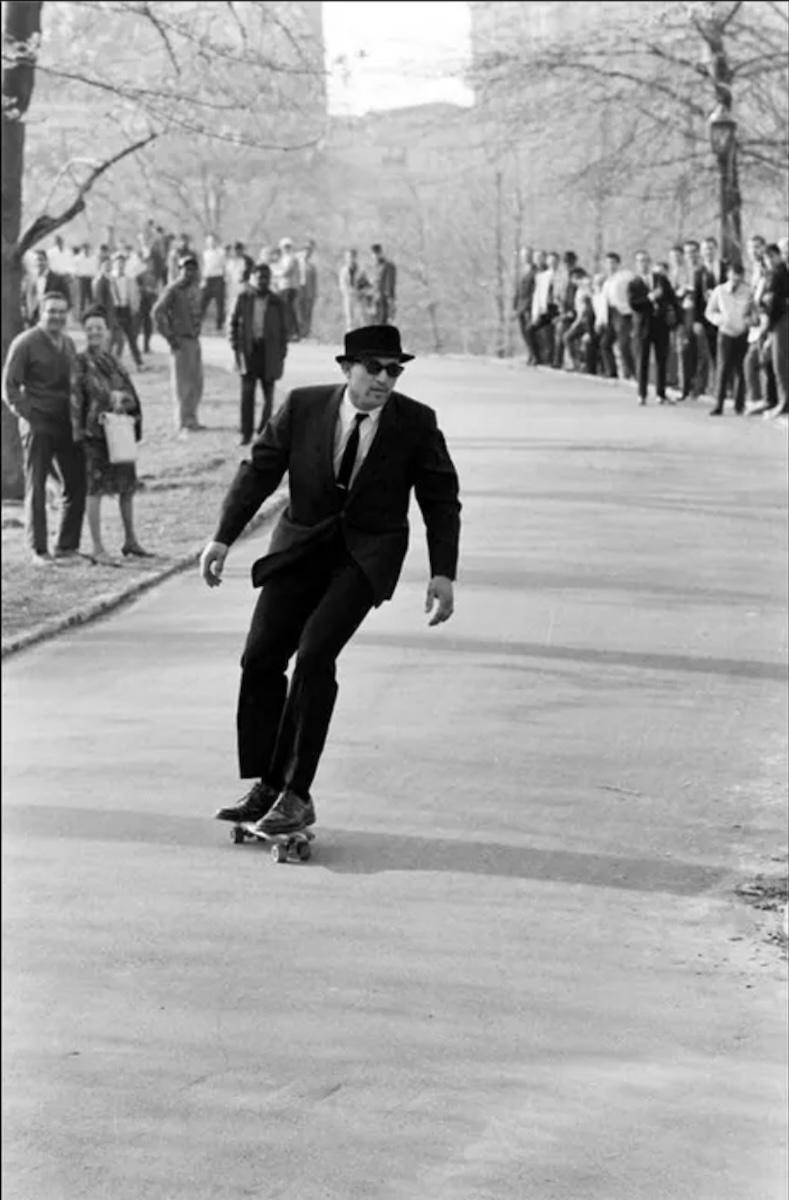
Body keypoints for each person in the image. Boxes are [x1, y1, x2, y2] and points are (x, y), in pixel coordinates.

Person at [200, 324, 461, 835]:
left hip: (365, 557)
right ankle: (268, 786)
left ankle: (297, 794)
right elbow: (258, 471)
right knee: (260, 657)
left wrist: (443, 572)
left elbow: (440, 500)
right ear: (347, 368)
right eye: (374, 368)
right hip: (300, 547)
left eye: (394, 371)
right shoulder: (303, 407)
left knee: (316, 654)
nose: (385, 380)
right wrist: (222, 537)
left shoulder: (417, 424)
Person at [1, 292, 86, 565]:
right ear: (41, 312)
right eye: (51, 311)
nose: (57, 316)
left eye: (62, 311)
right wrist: (29, 414)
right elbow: (9, 387)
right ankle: (39, 550)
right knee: (36, 485)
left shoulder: (68, 343)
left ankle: (67, 545)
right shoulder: (26, 342)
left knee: (75, 483)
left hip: (66, 422)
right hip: (38, 423)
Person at [70, 306, 150, 563]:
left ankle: (130, 540)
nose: (95, 332)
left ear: (107, 331)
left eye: (99, 328)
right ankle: (97, 547)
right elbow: (75, 398)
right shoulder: (80, 361)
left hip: (120, 432)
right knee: (95, 490)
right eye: (90, 328)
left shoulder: (115, 361)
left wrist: (123, 400)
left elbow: (131, 393)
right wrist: (77, 433)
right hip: (93, 434)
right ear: (85, 331)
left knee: (127, 487)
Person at [229, 262, 288, 445]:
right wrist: (235, 345)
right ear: (252, 278)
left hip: (269, 352)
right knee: (247, 394)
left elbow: (284, 329)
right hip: (248, 351)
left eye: (266, 278)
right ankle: (245, 434)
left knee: (268, 395)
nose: (263, 281)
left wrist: (282, 352)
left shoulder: (276, 301)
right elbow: (232, 323)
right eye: (259, 277)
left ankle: (263, 433)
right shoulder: (243, 297)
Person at [152, 253, 205, 437]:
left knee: (196, 382)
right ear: (180, 269)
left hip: (194, 339)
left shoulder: (196, 288)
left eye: (193, 268)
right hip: (180, 340)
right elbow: (157, 313)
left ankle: (192, 418)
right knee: (183, 384)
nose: (189, 272)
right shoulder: (173, 289)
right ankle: (182, 421)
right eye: (186, 268)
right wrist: (169, 337)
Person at [704, 261, 758, 416]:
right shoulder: (720, 291)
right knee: (723, 368)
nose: (736, 278)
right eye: (733, 275)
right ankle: (718, 404)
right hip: (725, 332)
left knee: (741, 369)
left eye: (739, 275)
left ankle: (739, 404)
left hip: (742, 333)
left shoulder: (748, 291)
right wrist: (720, 320)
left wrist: (750, 321)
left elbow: (753, 311)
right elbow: (709, 312)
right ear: (728, 274)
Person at [628, 250, 679, 406]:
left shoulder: (660, 279)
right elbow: (634, 304)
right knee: (642, 359)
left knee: (661, 359)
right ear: (636, 264)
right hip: (643, 326)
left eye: (645, 261)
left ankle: (661, 393)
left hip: (660, 324)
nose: (643, 264)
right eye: (640, 261)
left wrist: (673, 315)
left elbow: (672, 298)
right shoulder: (634, 284)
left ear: (649, 262)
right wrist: (650, 298)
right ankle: (641, 394)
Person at [761, 242, 789, 419]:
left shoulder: (777, 273)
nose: (769, 260)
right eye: (767, 258)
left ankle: (784, 403)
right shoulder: (778, 272)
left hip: (780, 320)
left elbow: (773, 303)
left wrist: (768, 328)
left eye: (772, 256)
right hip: (780, 319)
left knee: (780, 364)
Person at [601, 251, 636, 380]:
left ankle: (632, 372)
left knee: (623, 344)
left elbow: (634, 285)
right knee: (605, 343)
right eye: (608, 263)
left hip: (623, 313)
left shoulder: (624, 276)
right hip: (610, 312)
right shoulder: (606, 281)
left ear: (618, 264)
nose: (611, 266)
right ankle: (611, 372)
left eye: (613, 263)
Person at [109, 251, 143, 369]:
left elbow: (135, 294)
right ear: (114, 264)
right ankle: (107, 363)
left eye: (122, 263)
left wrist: (134, 308)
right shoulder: (110, 279)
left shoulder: (129, 279)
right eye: (118, 263)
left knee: (131, 337)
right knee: (113, 338)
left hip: (126, 309)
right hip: (115, 309)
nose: (120, 265)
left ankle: (139, 362)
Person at [22, 249, 70, 327]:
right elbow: (23, 298)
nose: (38, 263)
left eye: (41, 260)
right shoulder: (29, 279)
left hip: (52, 317)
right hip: (32, 318)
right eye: (35, 260)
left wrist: (60, 314)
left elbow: (67, 299)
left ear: (47, 261)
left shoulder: (58, 279)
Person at [273, 237, 301, 341]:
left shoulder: (292, 258)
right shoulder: (282, 258)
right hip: (282, 286)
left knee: (289, 310)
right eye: (284, 246)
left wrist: (276, 273)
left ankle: (294, 332)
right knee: (285, 310)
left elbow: (287, 272)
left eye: (288, 246)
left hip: (289, 287)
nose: (286, 248)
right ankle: (288, 332)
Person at [201, 233, 227, 332]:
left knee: (220, 303)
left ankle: (219, 325)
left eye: (213, 241)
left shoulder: (221, 252)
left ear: (216, 242)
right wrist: (203, 280)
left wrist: (225, 278)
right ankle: (198, 322)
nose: (211, 243)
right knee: (203, 302)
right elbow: (205, 267)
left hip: (218, 278)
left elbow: (224, 265)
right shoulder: (205, 253)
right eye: (209, 241)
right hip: (208, 279)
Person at [370, 243, 397, 324]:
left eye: (377, 253)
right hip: (376, 300)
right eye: (373, 254)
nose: (375, 256)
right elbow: (375, 283)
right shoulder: (376, 266)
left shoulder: (388, 266)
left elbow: (390, 284)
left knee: (383, 325)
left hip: (384, 300)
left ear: (380, 253)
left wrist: (390, 301)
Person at [298, 240, 318, 338]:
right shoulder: (297, 262)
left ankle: (306, 333)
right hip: (299, 291)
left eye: (309, 250)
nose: (307, 252)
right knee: (300, 312)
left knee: (308, 313)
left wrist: (314, 294)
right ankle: (300, 332)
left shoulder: (311, 266)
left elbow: (314, 282)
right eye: (306, 249)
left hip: (309, 293)